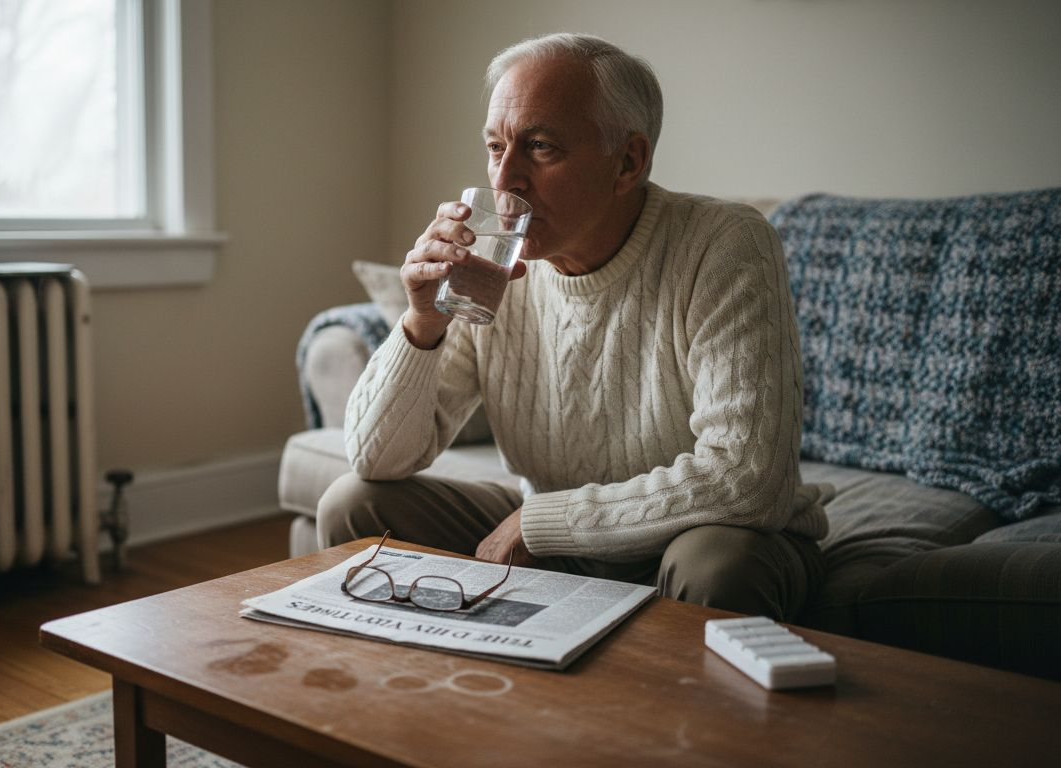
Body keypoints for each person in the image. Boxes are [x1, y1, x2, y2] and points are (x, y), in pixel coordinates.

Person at [316, 33, 829, 621]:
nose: (506, 180)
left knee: (716, 561)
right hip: (567, 539)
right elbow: (375, 462)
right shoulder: (495, 267)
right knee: (353, 503)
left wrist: (543, 523)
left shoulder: (723, 245)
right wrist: (422, 321)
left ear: (628, 162)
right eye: (494, 147)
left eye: (539, 147)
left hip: (707, 535)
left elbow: (746, 479)